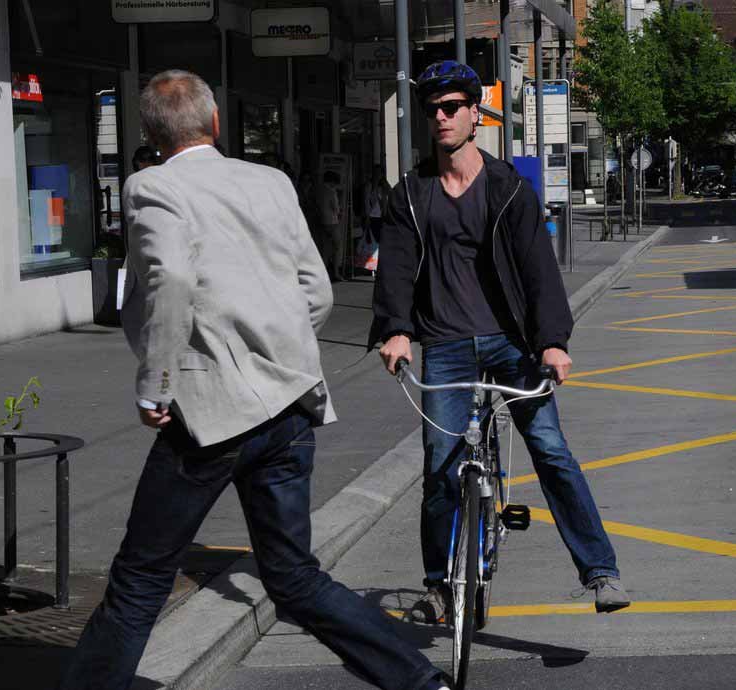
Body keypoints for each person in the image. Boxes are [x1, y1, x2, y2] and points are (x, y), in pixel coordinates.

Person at [59, 69, 450, 690]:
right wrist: (282, 351)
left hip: (211, 415)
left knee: (139, 581)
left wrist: (155, 384)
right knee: (294, 578)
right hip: (291, 404)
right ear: (215, 125)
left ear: (152, 134)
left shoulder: (150, 186)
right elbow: (315, 290)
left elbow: (171, 283)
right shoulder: (268, 181)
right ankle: (418, 680)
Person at [370, 61, 631, 624]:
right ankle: (440, 585)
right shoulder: (410, 195)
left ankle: (600, 572)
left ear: (474, 114)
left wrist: (553, 342)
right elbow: (393, 268)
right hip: (442, 344)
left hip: (509, 344)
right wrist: (396, 329)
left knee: (551, 450)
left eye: (452, 108)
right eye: (432, 109)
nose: (440, 118)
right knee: (440, 467)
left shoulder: (508, 189)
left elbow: (539, 273)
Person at [317, 170, 344, 281]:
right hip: (332, 222)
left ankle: (323, 273)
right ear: (333, 181)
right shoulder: (332, 191)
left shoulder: (319, 190)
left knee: (325, 249)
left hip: (322, 222)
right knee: (337, 247)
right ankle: (336, 272)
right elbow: (336, 208)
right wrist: (340, 210)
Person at [362, 164, 390, 245]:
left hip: (383, 216)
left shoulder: (384, 186)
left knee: (382, 240)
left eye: (380, 173)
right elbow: (367, 202)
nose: (378, 175)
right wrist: (367, 217)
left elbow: (391, 196)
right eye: (376, 173)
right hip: (372, 217)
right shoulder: (369, 186)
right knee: (373, 241)